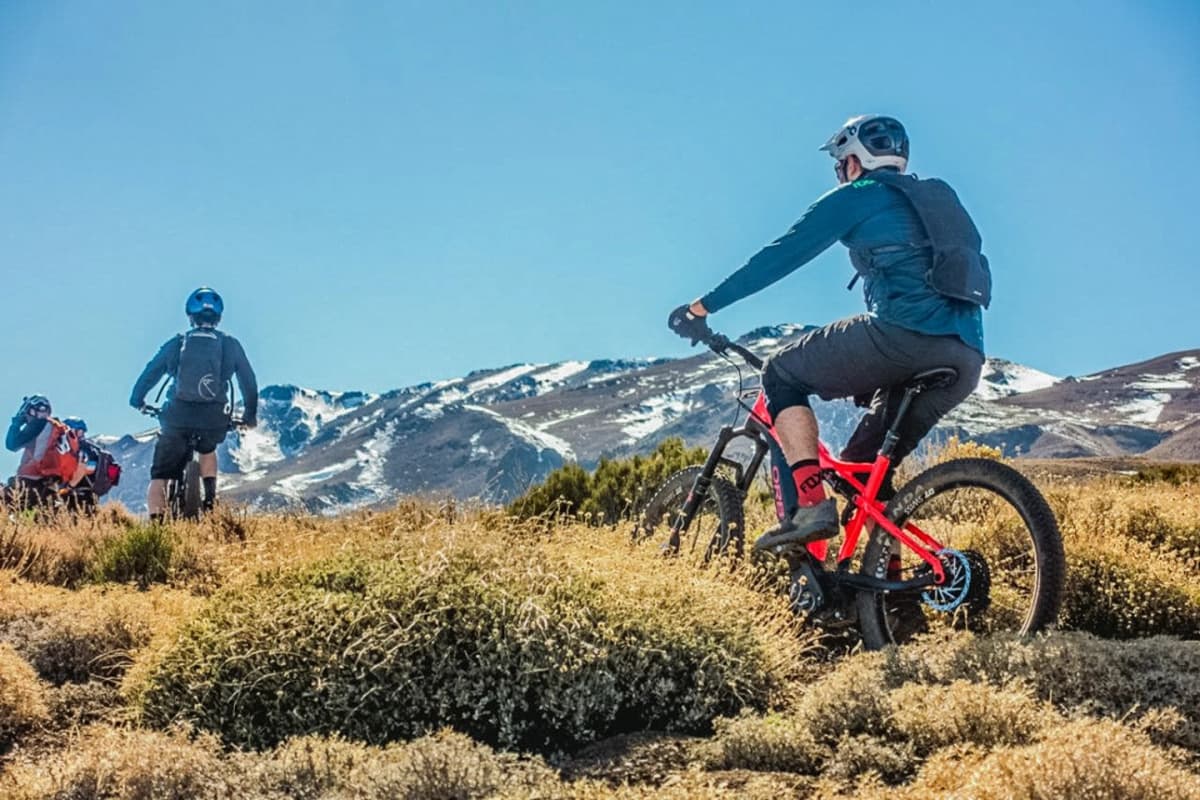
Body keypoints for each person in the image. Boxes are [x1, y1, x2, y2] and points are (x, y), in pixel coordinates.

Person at [669, 115, 987, 554]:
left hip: (903, 335)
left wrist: (701, 308)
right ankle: (891, 607)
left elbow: (779, 256)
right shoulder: (938, 199)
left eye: (841, 165)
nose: (840, 174)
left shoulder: (859, 196)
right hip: (967, 353)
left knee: (781, 375)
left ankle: (811, 507)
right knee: (863, 478)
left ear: (854, 162)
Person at [130, 288, 258, 520]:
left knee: (160, 475)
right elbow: (248, 380)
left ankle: (156, 529)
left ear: (190, 316)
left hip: (177, 416)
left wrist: (137, 400)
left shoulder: (177, 343)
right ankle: (209, 501)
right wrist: (250, 416)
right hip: (213, 418)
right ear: (218, 318)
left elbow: (151, 371)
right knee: (207, 449)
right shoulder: (230, 345)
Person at [4, 395, 60, 509]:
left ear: (31, 411)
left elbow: (11, 445)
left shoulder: (37, 425)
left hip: (29, 479)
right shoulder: (56, 428)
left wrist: (17, 423)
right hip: (51, 483)